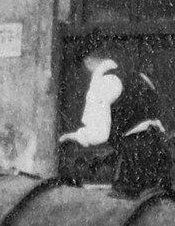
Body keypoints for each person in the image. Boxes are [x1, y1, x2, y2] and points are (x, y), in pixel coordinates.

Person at [59, 39, 172, 197]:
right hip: (159, 151)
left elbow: (99, 134)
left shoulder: (104, 83)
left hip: (135, 156)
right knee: (160, 206)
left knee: (126, 209)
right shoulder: (136, 77)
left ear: (88, 61)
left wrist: (74, 136)